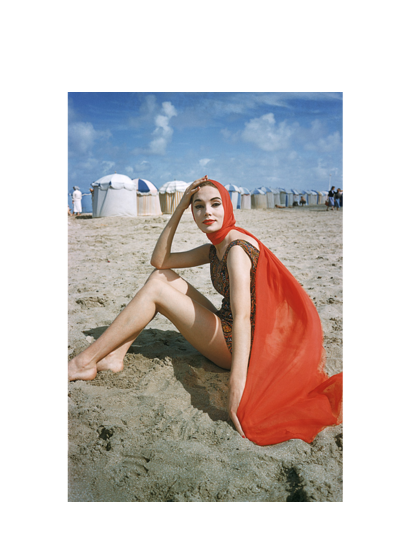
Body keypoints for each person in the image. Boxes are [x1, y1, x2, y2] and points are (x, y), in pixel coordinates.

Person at [66, 176, 344, 446]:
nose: (207, 212)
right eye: (198, 206)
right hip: (228, 326)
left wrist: (237, 384)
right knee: (159, 277)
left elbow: (244, 318)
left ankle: (84, 362)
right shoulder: (216, 246)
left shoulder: (236, 249)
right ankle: (115, 356)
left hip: (237, 345)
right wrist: (177, 210)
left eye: (215, 203)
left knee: (156, 290)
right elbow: (160, 260)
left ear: (227, 206)